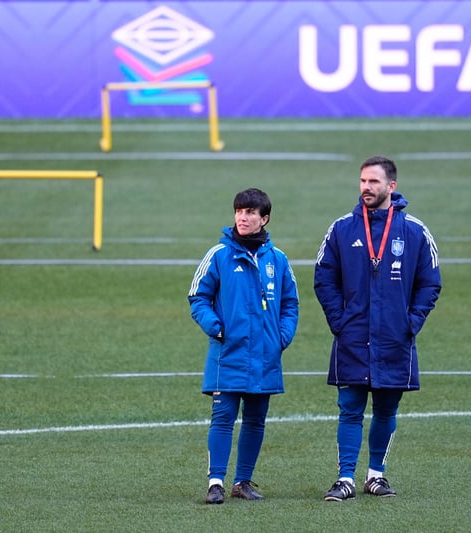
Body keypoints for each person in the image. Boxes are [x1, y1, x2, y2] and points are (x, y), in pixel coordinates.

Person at [314, 155, 441, 502]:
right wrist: (339, 321)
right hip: (353, 336)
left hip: (394, 338)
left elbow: (430, 282)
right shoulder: (342, 228)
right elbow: (323, 278)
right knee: (349, 408)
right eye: (362, 181)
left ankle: (375, 475)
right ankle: (344, 478)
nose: (366, 188)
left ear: (391, 186)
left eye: (373, 182)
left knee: (386, 411)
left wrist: (411, 322)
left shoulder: (414, 230)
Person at [188, 188, 299, 505]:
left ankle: (243, 482)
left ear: (264, 219)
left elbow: (291, 303)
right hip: (228, 354)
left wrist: (281, 337)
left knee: (255, 421)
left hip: (265, 355)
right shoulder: (219, 255)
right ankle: (215, 483)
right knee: (223, 418)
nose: (242, 217)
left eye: (250, 212)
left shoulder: (277, 260)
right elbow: (197, 297)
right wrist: (216, 327)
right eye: (239, 211)